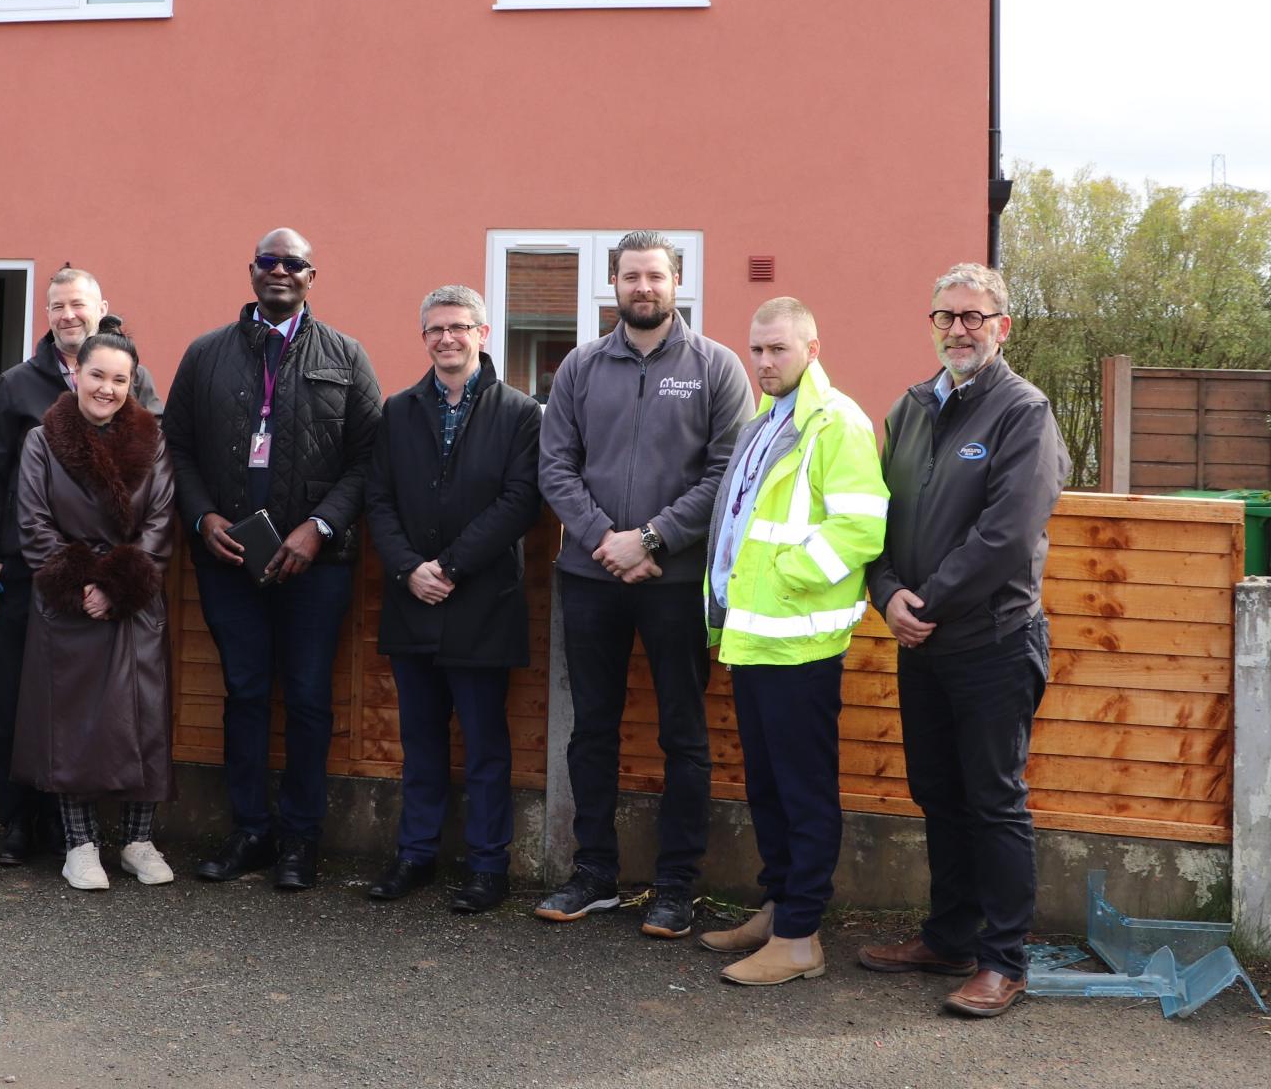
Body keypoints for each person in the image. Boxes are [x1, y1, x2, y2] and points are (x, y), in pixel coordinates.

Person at [858, 263, 1068, 1017]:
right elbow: (874, 518)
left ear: (1002, 326)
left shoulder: (1024, 412)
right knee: (937, 793)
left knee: (995, 800)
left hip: (994, 641)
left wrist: (927, 601)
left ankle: (1003, 960)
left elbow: (1007, 535)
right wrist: (887, 596)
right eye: (945, 316)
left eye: (974, 317)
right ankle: (947, 935)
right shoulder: (912, 409)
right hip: (922, 641)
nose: (958, 329)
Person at [535, 231, 753, 938]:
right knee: (591, 730)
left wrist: (652, 538)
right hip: (590, 577)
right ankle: (593, 874)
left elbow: (727, 474)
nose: (644, 287)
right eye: (631, 277)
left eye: (655, 275)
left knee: (683, 734)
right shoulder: (579, 366)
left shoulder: (717, 368)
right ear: (615, 284)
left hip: (677, 579)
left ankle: (675, 886)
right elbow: (555, 467)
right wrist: (605, 539)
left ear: (677, 279)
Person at [163, 227, 382, 891]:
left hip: (317, 565)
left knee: (311, 700)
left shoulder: (346, 357)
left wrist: (320, 527)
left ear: (312, 276)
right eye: (269, 261)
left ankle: (301, 842)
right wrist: (202, 518)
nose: (280, 271)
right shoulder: (205, 356)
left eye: (294, 263)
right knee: (246, 695)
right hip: (229, 561)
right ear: (251, 271)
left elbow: (370, 458)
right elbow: (177, 446)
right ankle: (251, 832)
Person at [696, 298, 887, 984]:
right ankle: (779, 907)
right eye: (756, 349)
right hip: (754, 639)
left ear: (812, 346)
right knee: (767, 786)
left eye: (777, 349)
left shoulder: (836, 423)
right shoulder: (767, 420)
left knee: (803, 791)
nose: (764, 361)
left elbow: (862, 528)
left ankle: (801, 935)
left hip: (799, 642)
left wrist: (783, 575)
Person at [0, 269, 162, 868]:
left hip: (115, 573)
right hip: (32, 566)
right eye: (56, 306)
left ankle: (76, 833)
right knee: (22, 701)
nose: (68, 314)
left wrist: (118, 578)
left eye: (78, 304)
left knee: (99, 702)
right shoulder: (16, 384)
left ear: (102, 308)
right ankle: (19, 821)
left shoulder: (137, 378)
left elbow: (147, 473)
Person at [362, 286, 543, 915]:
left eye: (460, 327)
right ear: (424, 338)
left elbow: (521, 502)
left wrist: (452, 566)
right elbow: (377, 500)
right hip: (413, 600)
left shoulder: (521, 413)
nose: (448, 338)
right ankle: (415, 855)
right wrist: (410, 568)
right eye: (436, 329)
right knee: (420, 740)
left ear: (484, 333)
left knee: (487, 746)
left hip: (482, 601)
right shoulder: (399, 411)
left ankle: (488, 867)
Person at [11, 325, 178, 892]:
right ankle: (80, 846)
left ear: (133, 385)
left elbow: (160, 523)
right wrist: (84, 582)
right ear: (76, 374)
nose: (107, 388)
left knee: (143, 719)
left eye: (120, 379)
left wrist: (119, 584)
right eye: (97, 375)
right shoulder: (42, 441)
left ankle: (137, 841)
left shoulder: (153, 442)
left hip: (133, 599)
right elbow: (32, 524)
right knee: (72, 724)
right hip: (70, 602)